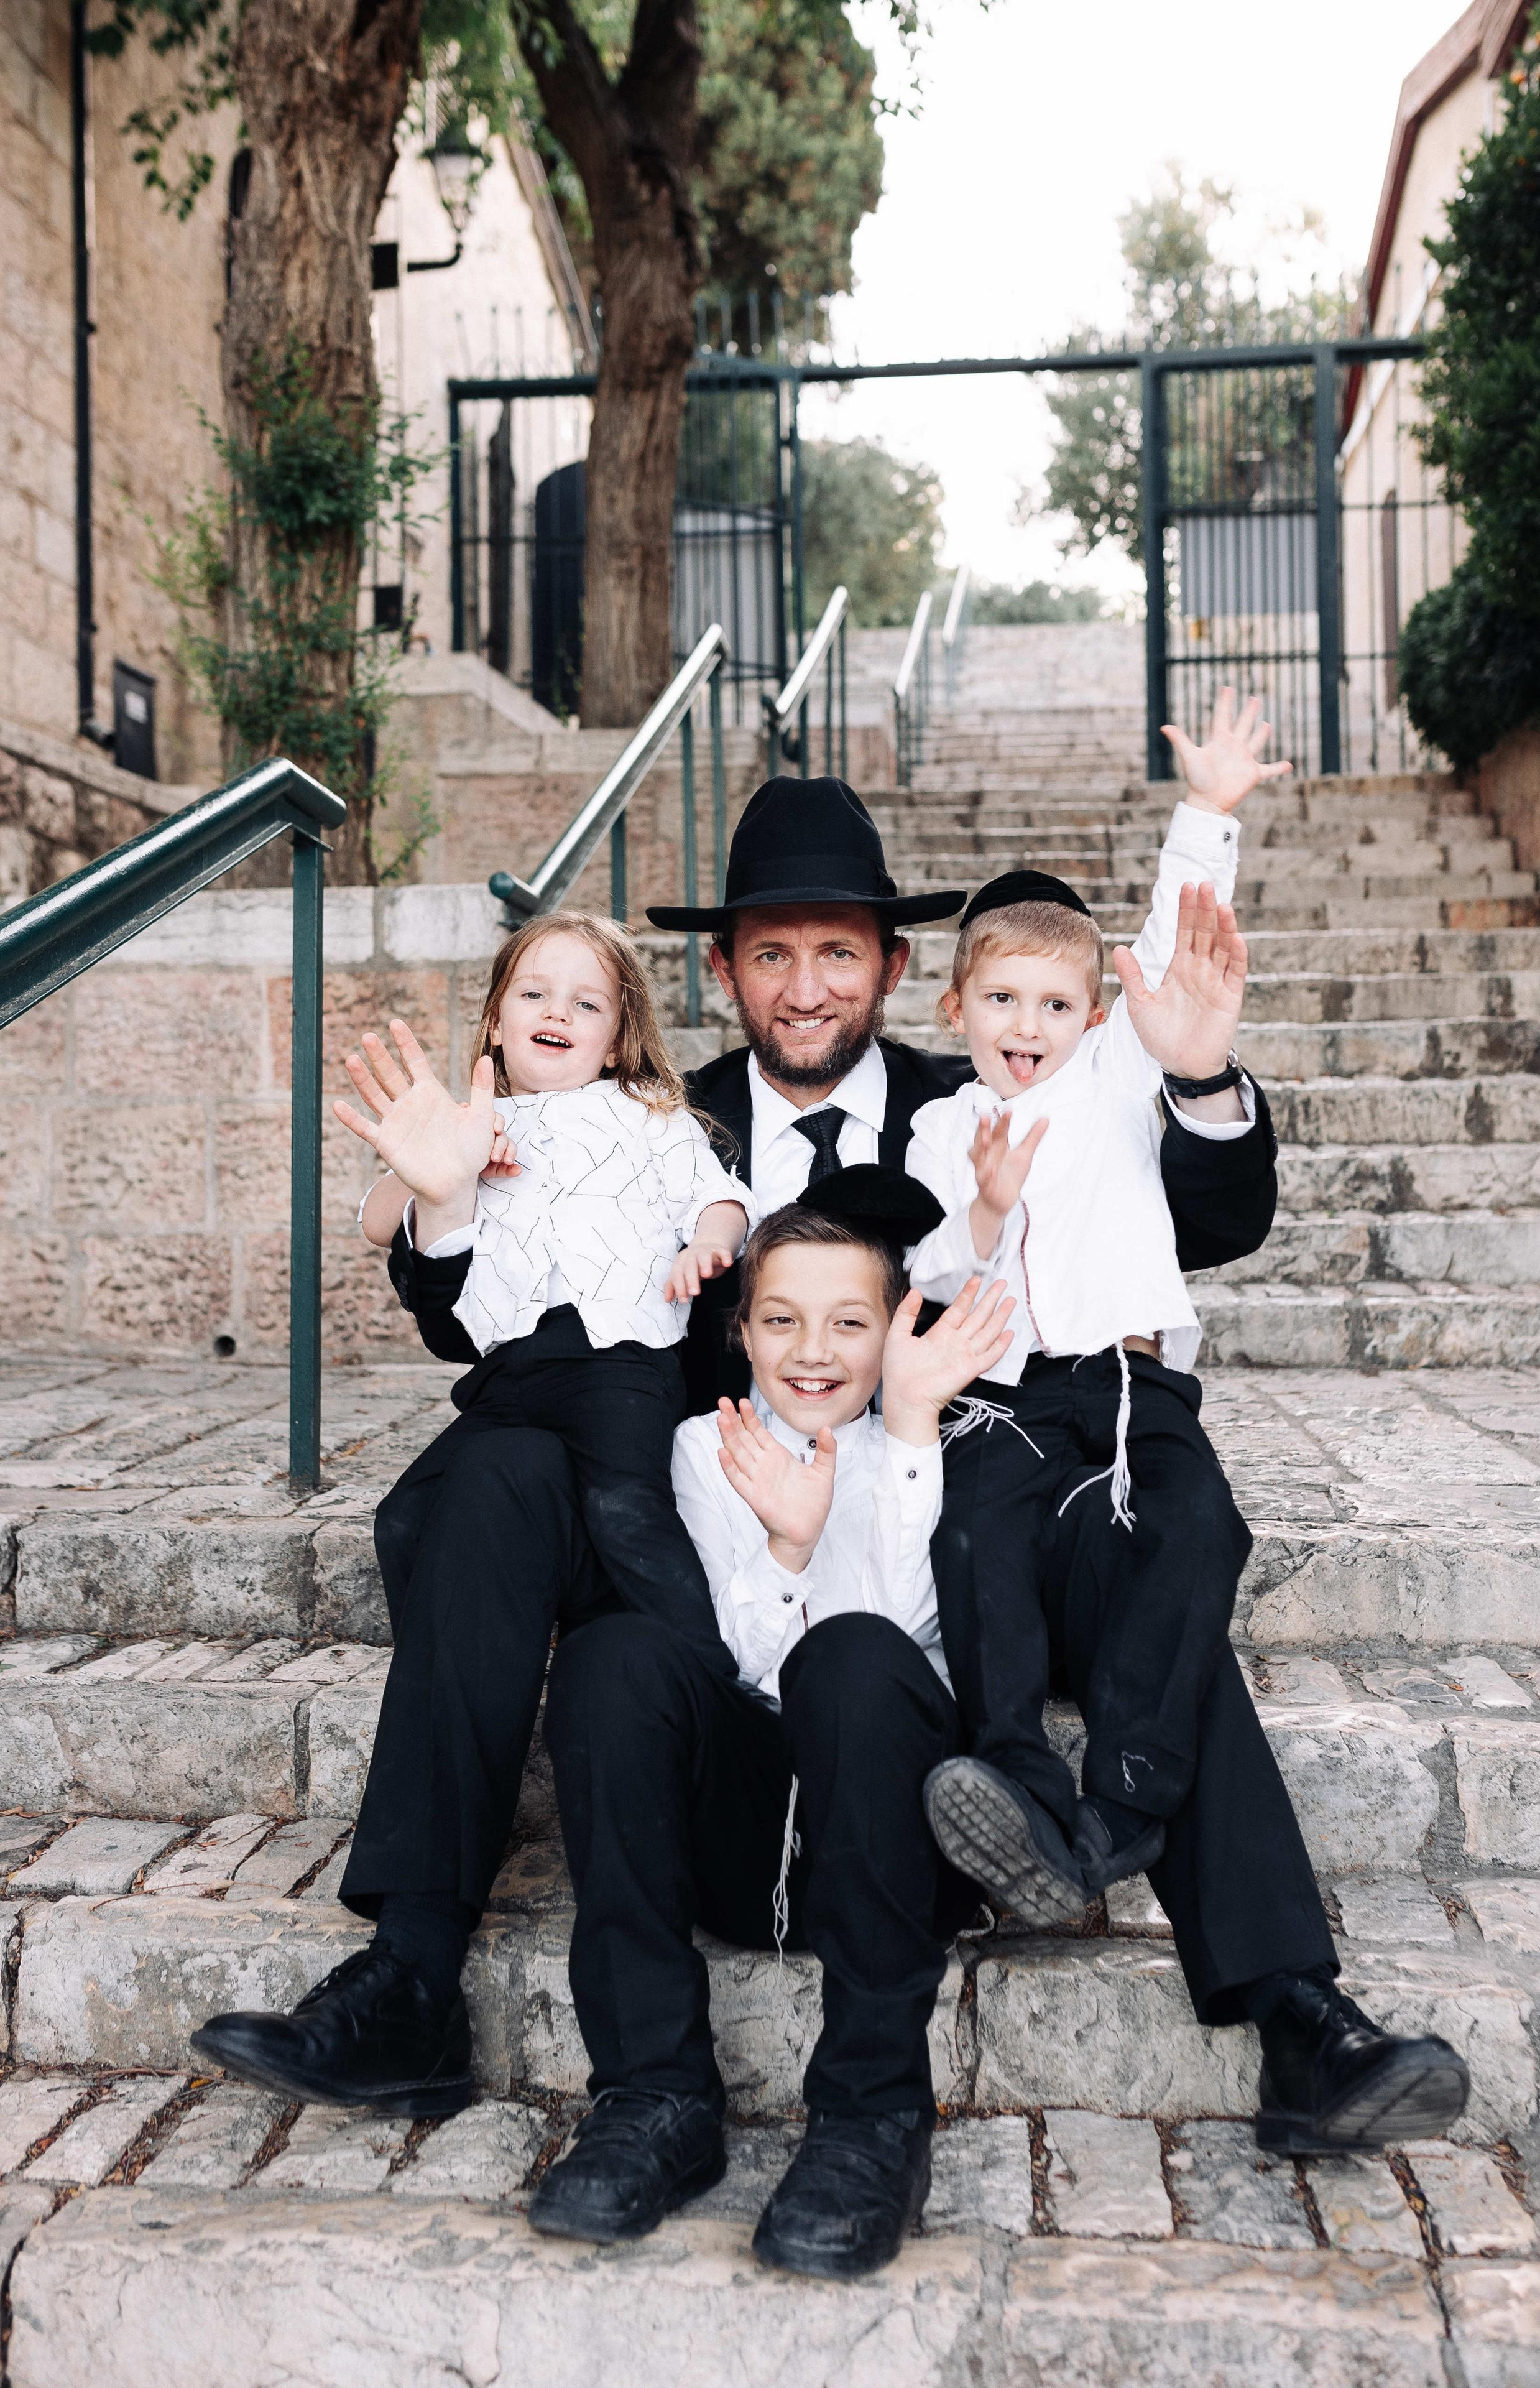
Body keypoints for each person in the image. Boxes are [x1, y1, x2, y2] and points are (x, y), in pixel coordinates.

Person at [186, 768, 1290, 2142]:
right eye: (772, 954)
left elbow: (1204, 1215)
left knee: (1149, 1559)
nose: (808, 986)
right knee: (486, 1478)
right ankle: (412, 1971)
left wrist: (1192, 1076)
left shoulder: (994, 1091)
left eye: (839, 951)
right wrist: (438, 1192)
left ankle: (1295, 2006)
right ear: (721, 969)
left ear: (896, 968)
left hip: (943, 1513)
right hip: (676, 1512)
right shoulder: (647, 1106)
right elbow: (463, 1314)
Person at [906, 692, 1470, 2154]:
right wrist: (978, 1211)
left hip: (1136, 1397)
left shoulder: (1119, 1072)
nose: (1024, 1025)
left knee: (1194, 1536)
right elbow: (924, 1275)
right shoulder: (926, 1127)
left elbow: (1176, 953)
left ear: (1090, 1017)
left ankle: (1113, 1822)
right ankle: (1286, 2008)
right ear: (949, 1008)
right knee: (989, 1546)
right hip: (999, 1410)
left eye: (1053, 1002)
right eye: (996, 1001)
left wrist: (1208, 809)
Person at [193, 910, 750, 2114]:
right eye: (531, 993)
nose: (555, 1012)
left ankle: (724, 1731)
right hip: (514, 1389)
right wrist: (427, 1178)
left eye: (586, 1002)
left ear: (621, 1037)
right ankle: (409, 1977)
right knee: (444, 1509)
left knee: (593, 1528)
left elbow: (720, 1203)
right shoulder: (470, 1125)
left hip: (625, 1391)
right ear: (495, 1015)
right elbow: (414, 1248)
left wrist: (708, 1250)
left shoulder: (657, 1126)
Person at [525, 1170, 1012, 2277]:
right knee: (614, 1654)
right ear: (740, 1332)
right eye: (782, 1320)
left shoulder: (932, 1449)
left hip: (893, 1853)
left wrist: (904, 1432)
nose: (814, 1349)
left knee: (853, 1653)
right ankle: (655, 2092)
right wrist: (789, 1548)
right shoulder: (710, 1450)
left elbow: (891, 1660)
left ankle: (870, 2118)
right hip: (750, 1838)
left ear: (899, 1328)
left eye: (850, 1323)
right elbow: (735, 1660)